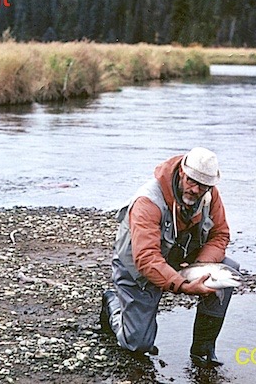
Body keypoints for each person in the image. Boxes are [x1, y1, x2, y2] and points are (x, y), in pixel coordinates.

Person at [100, 147, 239, 367]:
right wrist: (183, 285)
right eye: (192, 181)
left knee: (227, 272)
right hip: (138, 268)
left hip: (178, 257)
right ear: (182, 172)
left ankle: (203, 349)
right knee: (137, 345)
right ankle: (113, 304)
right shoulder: (148, 202)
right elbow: (146, 258)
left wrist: (200, 267)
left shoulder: (209, 195)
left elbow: (220, 234)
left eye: (203, 185)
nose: (196, 189)